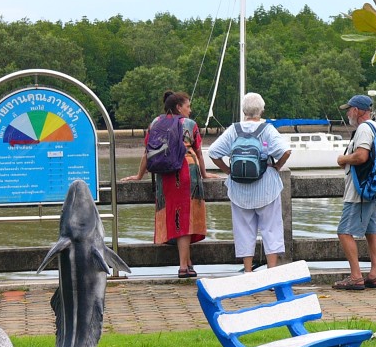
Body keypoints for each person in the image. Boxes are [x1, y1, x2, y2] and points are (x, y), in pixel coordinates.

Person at [121, 90, 219, 278]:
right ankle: (183, 266)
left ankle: (188, 263)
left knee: (176, 216)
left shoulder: (156, 123)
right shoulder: (190, 125)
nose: (190, 110)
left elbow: (147, 152)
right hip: (185, 172)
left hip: (164, 175)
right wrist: (206, 174)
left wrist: (139, 175)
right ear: (178, 107)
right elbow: (198, 152)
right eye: (188, 106)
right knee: (185, 218)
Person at [208, 92, 291, 272]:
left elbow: (213, 152)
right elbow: (286, 151)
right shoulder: (267, 129)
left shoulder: (233, 130)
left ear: (244, 110)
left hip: (239, 190)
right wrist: (277, 166)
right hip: (266, 188)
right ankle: (271, 272)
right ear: (261, 110)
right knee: (271, 230)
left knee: (244, 231)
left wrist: (227, 170)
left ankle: (248, 272)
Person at [333, 94, 376, 290]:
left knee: (344, 232)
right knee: (372, 231)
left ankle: (355, 276)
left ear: (358, 111)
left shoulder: (363, 129)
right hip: (373, 190)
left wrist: (343, 159)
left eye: (350, 109)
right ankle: (375, 274)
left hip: (359, 191)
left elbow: (362, 156)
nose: (348, 113)